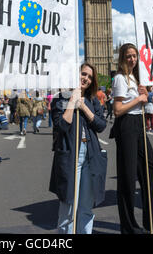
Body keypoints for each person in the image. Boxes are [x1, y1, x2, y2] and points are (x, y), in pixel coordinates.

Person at [110, 43, 153, 234]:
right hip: (126, 126)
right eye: (128, 56)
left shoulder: (135, 78)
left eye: (134, 56)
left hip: (137, 124)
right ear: (122, 58)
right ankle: (129, 228)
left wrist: (143, 94)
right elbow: (117, 110)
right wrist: (138, 99)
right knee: (128, 179)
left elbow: (142, 101)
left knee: (152, 172)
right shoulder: (120, 78)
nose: (132, 59)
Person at [49, 63, 107, 234]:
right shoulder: (61, 98)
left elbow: (101, 125)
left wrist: (83, 107)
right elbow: (60, 127)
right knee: (68, 210)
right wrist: (72, 103)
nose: (86, 79)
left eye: (90, 77)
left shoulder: (92, 100)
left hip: (90, 155)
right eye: (83, 74)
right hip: (70, 155)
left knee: (86, 208)